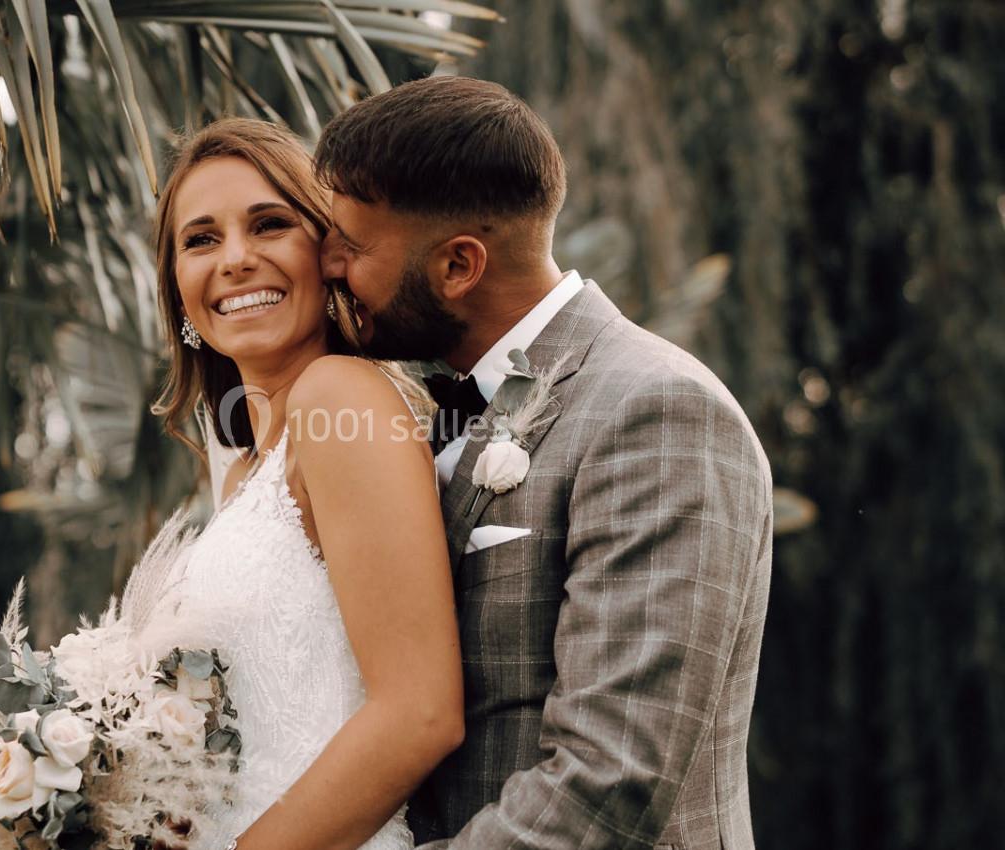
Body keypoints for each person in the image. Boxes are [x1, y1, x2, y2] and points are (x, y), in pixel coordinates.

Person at [315, 76, 774, 850]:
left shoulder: (659, 412)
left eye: (353, 247)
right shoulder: (420, 408)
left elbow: (607, 785)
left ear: (458, 267)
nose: (326, 263)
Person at [143, 118, 460, 850]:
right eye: (201, 239)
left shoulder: (338, 397)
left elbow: (420, 712)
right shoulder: (245, 471)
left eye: (269, 224)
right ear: (178, 290)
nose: (236, 259)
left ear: (328, 254)